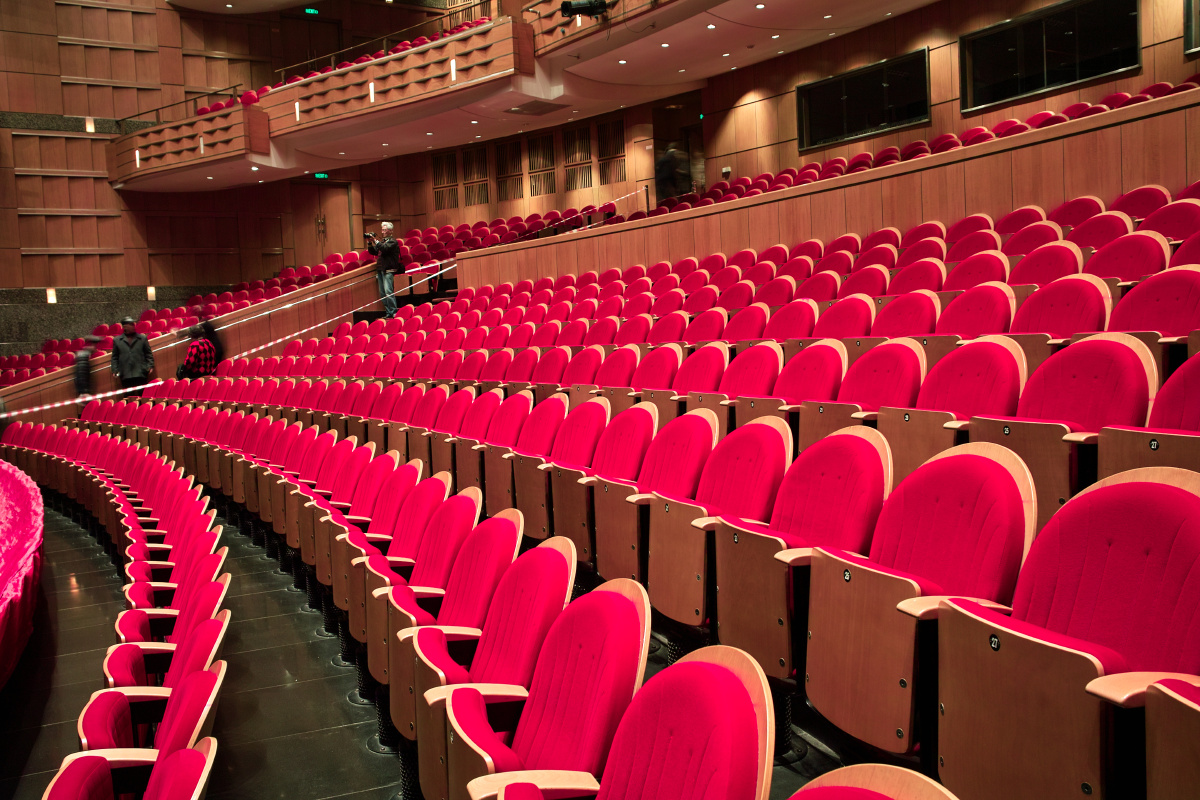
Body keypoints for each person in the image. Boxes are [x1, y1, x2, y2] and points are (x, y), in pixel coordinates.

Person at [111, 316, 154, 396]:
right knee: (129, 397)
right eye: (130, 324)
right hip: (126, 373)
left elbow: (148, 353)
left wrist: (150, 365)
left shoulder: (142, 338)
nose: (133, 326)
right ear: (124, 326)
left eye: (133, 324)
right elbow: (115, 357)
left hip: (140, 372)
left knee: (142, 395)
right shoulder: (117, 340)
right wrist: (114, 370)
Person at [366, 221, 401, 318]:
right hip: (381, 269)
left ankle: (393, 312)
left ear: (390, 231)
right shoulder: (382, 242)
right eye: (382, 230)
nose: (383, 232)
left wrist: (375, 240)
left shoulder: (393, 241)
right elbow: (374, 251)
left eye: (385, 230)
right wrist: (369, 242)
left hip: (389, 270)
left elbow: (384, 248)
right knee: (382, 293)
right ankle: (388, 312)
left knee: (388, 292)